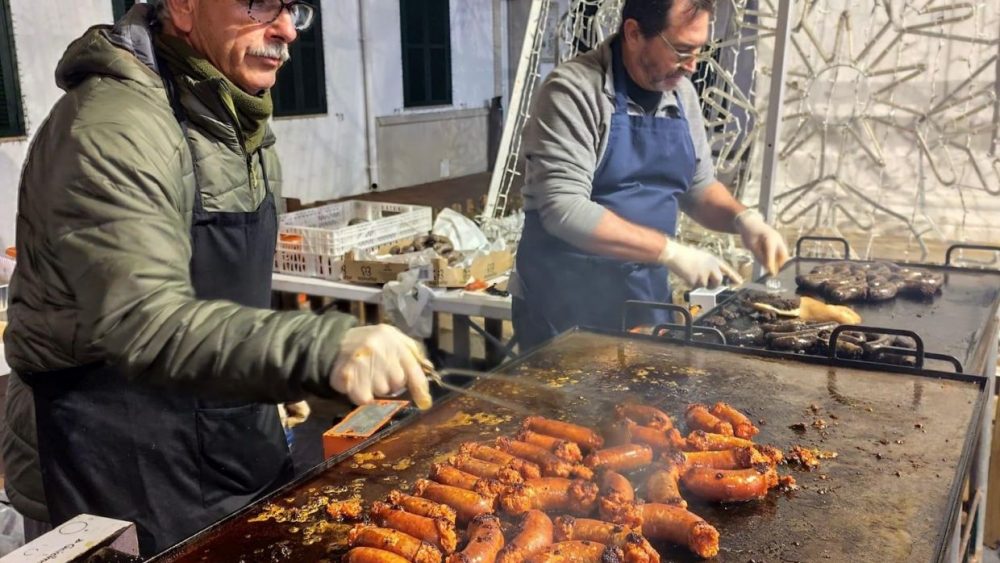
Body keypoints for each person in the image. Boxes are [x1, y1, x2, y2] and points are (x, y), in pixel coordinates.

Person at [1, 0, 431, 555]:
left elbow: (222, 291)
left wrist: (262, 385)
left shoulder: (236, 117)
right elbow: (142, 324)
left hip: (218, 436)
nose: (284, 30)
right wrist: (319, 350)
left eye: (294, 8)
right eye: (259, 4)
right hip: (121, 458)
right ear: (182, 6)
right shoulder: (115, 126)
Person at [512, 0, 789, 349]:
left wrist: (743, 219)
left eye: (699, 51)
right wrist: (671, 252)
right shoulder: (572, 91)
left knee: (651, 400)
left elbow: (698, 186)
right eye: (682, 50)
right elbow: (564, 209)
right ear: (633, 33)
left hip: (644, 300)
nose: (691, 66)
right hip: (566, 306)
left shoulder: (680, 93)